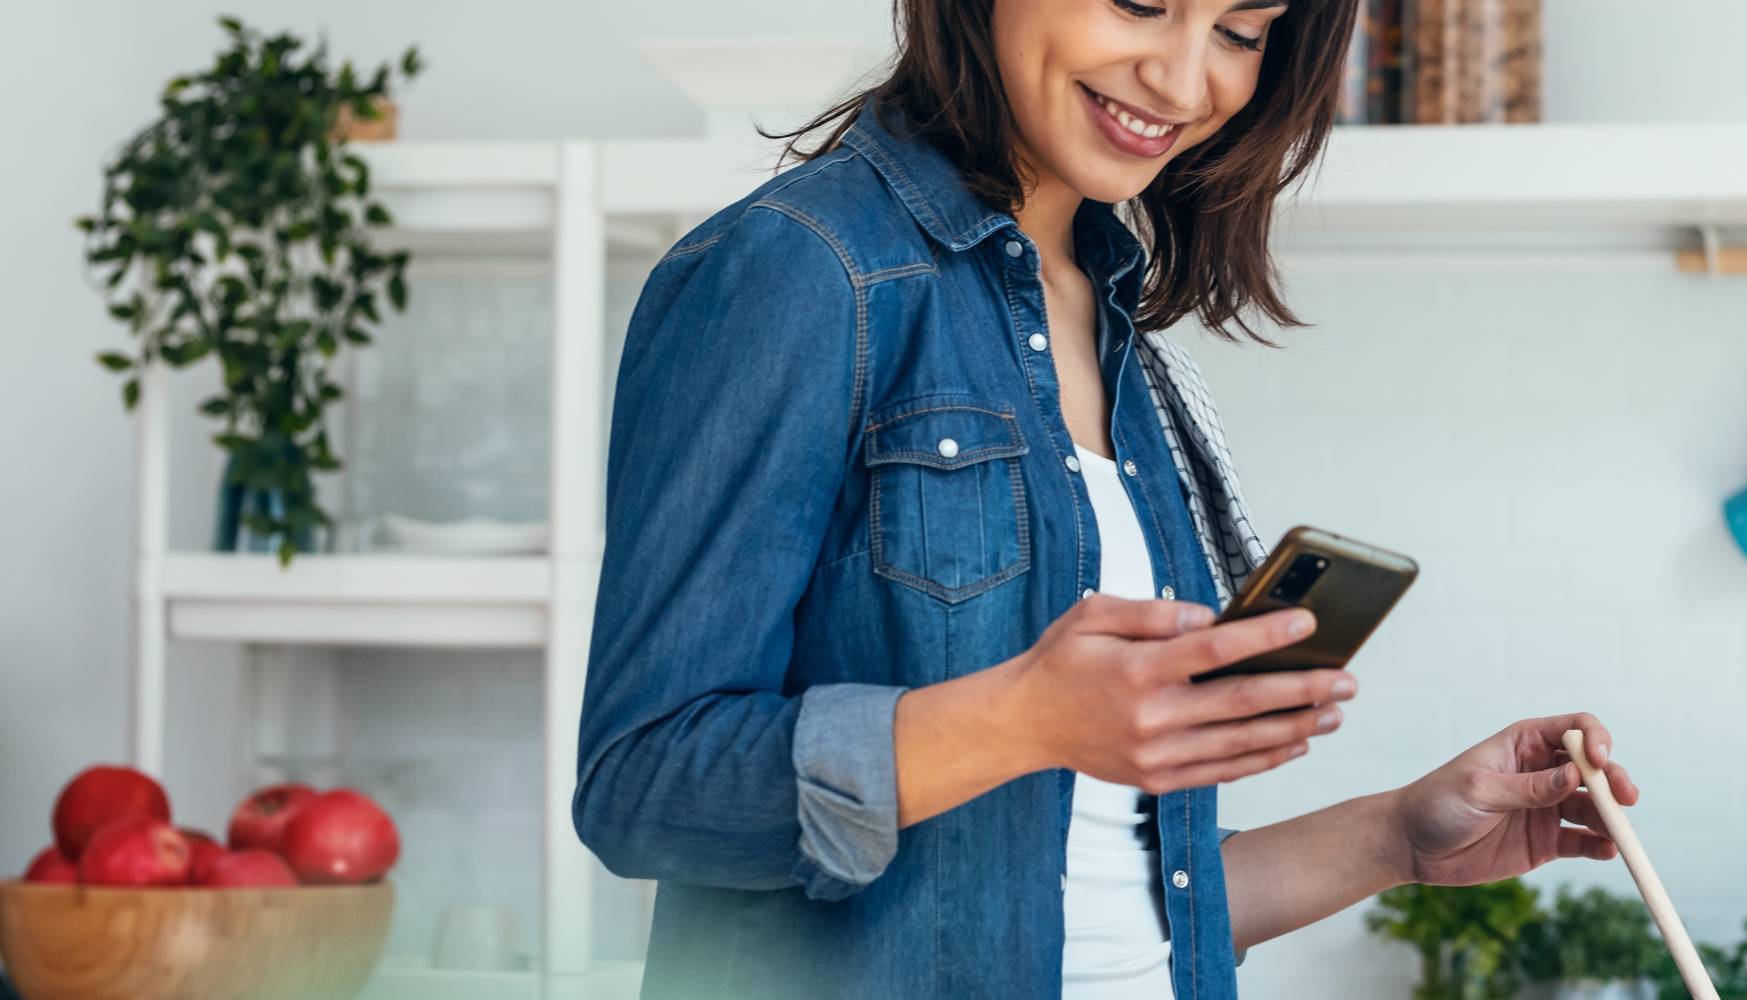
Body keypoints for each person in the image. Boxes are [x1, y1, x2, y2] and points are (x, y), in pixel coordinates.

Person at [573, 0, 1640, 996]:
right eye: (1139, 1)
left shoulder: (1115, 325)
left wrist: (1398, 835)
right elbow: (639, 788)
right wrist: (1020, 718)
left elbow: (1106, 900)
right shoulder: (795, 271)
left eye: (1239, 29)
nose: (1184, 81)